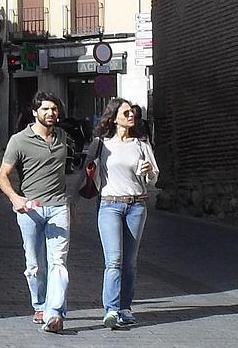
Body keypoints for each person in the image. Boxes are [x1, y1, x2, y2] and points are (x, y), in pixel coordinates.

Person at [0, 91, 71, 333]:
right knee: (35, 264)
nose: (51, 113)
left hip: (59, 207)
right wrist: (15, 198)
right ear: (35, 112)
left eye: (54, 109)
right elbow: (2, 176)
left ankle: (54, 313)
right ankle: (39, 305)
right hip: (30, 210)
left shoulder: (62, 136)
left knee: (58, 262)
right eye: (46, 109)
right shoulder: (19, 140)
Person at [83, 98, 159, 329]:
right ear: (114, 117)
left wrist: (148, 173)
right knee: (113, 260)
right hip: (109, 205)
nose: (131, 116)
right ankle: (111, 310)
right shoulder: (102, 144)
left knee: (130, 262)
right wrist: (74, 201)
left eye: (133, 113)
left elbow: (154, 178)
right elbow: (86, 172)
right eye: (126, 113)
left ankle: (125, 307)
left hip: (137, 205)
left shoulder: (142, 145)